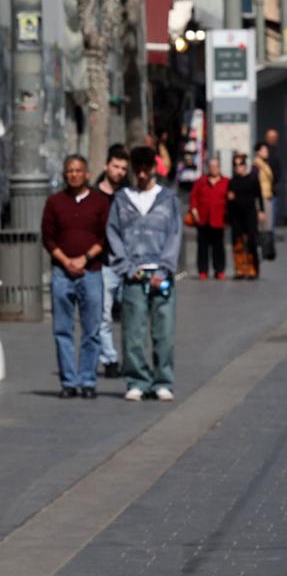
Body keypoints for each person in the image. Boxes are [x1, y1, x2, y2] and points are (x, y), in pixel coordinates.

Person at [105, 146, 182, 401]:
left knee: (164, 332)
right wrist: (126, 267)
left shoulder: (168, 199)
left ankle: (163, 380)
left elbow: (174, 235)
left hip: (162, 275)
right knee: (133, 332)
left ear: (153, 168)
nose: (141, 174)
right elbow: (113, 233)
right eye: (136, 169)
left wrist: (165, 268)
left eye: (145, 169)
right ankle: (137, 379)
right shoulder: (122, 198)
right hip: (133, 275)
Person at [41, 154, 110, 399]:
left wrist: (84, 258)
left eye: (78, 170)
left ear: (87, 174)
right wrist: (65, 261)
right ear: (64, 174)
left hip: (90, 272)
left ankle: (88, 381)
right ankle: (69, 382)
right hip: (62, 272)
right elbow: (48, 237)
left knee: (91, 329)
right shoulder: (55, 202)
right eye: (69, 170)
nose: (74, 174)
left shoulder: (100, 202)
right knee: (62, 329)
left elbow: (105, 237)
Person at [96, 144, 130, 378]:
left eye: (123, 168)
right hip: (104, 264)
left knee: (131, 315)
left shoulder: (129, 196)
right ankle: (109, 359)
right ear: (106, 165)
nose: (119, 171)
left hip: (128, 264)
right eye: (115, 166)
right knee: (103, 316)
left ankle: (131, 359)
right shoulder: (94, 196)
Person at [189, 156, 230, 278]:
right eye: (211, 166)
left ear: (219, 167)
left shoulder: (226, 182)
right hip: (203, 219)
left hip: (218, 219)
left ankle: (219, 270)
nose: (214, 169)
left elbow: (230, 198)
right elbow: (193, 197)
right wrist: (194, 210)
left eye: (216, 166)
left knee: (219, 247)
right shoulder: (201, 181)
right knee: (202, 247)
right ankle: (203, 271)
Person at [227, 151, 264, 279]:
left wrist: (261, 211)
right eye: (236, 165)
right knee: (237, 242)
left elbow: (259, 196)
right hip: (236, 216)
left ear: (245, 166)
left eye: (241, 165)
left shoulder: (252, 179)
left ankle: (252, 268)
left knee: (251, 241)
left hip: (250, 214)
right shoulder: (232, 181)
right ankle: (240, 269)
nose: (239, 168)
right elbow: (229, 199)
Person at [253, 142, 277, 260]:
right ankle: (263, 250)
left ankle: (267, 251)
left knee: (268, 225)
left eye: (267, 150)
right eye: (264, 150)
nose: (266, 153)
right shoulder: (256, 166)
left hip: (268, 195)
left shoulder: (264, 164)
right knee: (263, 225)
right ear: (258, 152)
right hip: (261, 197)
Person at [263, 127, 283, 243]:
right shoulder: (268, 153)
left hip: (272, 188)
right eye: (273, 138)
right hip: (269, 189)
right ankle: (268, 235)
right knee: (270, 214)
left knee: (271, 213)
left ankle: (269, 234)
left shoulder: (274, 151)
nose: (275, 140)